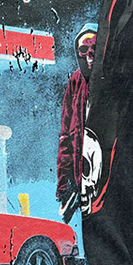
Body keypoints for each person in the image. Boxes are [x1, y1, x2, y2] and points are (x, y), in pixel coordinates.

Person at [56, 22, 98, 217]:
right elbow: (65, 136)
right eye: (83, 50)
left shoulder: (116, 81)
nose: (89, 56)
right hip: (81, 184)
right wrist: (64, 186)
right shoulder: (75, 82)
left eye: (94, 49)